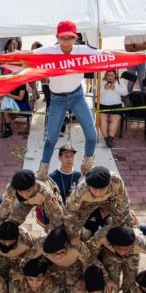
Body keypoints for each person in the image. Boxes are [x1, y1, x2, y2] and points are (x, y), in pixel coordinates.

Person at [36, 20, 99, 180]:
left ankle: (88, 166)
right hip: (57, 99)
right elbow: (25, 57)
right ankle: (42, 171)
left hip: (77, 96)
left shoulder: (82, 50)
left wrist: (137, 57)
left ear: (75, 38)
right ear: (57, 37)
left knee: (92, 136)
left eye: (69, 38)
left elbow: (107, 56)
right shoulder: (49, 51)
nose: (66, 42)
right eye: (63, 38)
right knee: (51, 139)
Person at [85, 224, 146, 293]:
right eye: (119, 249)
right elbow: (88, 255)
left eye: (125, 249)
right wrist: (106, 278)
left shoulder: (140, 241)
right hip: (110, 255)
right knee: (112, 285)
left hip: (131, 256)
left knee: (130, 285)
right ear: (111, 244)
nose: (122, 253)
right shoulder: (102, 236)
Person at [64, 166, 132, 236]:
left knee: (128, 222)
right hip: (87, 204)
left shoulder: (116, 181)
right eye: (94, 189)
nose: (98, 193)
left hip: (109, 200)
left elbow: (124, 202)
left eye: (102, 189)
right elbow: (69, 212)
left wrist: (117, 223)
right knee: (76, 232)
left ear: (109, 184)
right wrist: (73, 235)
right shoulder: (81, 189)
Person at [0, 169, 64, 228]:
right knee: (13, 221)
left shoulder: (46, 192)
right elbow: (5, 207)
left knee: (56, 226)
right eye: (21, 192)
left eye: (28, 191)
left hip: (47, 202)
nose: (25, 195)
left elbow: (57, 217)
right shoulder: (12, 188)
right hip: (26, 202)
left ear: (35, 185)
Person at [98, 70, 127, 148]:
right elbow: (97, 93)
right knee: (102, 119)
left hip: (116, 105)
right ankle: (106, 138)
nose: (110, 77)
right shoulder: (102, 82)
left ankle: (110, 138)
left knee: (115, 119)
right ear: (106, 76)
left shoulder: (120, 82)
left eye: (112, 75)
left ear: (115, 76)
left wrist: (115, 88)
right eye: (108, 75)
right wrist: (104, 88)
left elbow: (125, 92)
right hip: (103, 104)